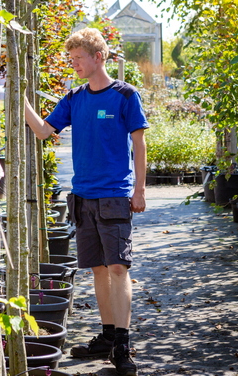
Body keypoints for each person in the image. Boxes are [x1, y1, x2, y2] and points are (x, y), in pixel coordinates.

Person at [25, 27, 147, 376]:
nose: (73, 64)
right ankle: (108, 336)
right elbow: (45, 131)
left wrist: (139, 190)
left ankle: (122, 344)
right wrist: (19, 100)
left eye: (79, 58)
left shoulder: (125, 95)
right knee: (96, 269)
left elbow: (139, 145)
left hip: (114, 195)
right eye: (71, 58)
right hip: (82, 197)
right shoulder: (75, 97)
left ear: (99, 57)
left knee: (118, 268)